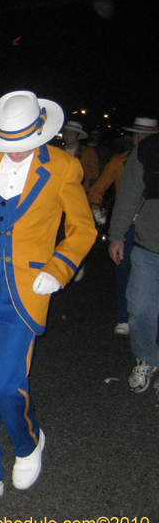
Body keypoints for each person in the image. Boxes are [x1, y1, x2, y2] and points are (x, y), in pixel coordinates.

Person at [0, 90, 96, 510]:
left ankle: (28, 441)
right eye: (5, 143)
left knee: (7, 381)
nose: (11, 152)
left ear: (40, 132)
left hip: (29, 288)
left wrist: (59, 267)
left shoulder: (64, 167)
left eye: (20, 143)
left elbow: (82, 229)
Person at [90, 117, 158, 335]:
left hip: (149, 225)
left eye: (144, 135)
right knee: (123, 270)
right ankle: (124, 317)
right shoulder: (119, 161)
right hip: (126, 221)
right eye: (136, 134)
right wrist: (95, 208)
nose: (139, 139)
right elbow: (99, 187)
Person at [107, 129, 159, 395]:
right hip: (149, 246)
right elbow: (128, 194)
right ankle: (147, 358)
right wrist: (117, 235)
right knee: (139, 311)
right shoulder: (149, 149)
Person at [61, 121, 99, 193]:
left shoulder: (88, 152)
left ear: (79, 136)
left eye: (72, 133)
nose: (68, 136)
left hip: (79, 191)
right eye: (66, 133)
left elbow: (94, 174)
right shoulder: (58, 151)